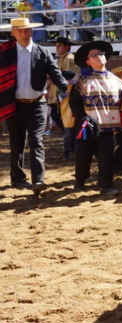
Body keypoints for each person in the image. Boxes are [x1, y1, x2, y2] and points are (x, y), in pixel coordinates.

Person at [0, 18, 68, 195]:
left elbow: (56, 75)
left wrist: (69, 89)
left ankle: (38, 179)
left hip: (37, 104)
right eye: (20, 30)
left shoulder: (42, 52)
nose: (24, 33)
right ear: (13, 33)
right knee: (16, 143)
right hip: (14, 105)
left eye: (27, 30)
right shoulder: (3, 53)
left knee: (36, 141)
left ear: (31, 31)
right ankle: (18, 178)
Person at [68, 40, 122, 196]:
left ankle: (106, 186)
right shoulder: (80, 80)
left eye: (101, 54)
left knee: (106, 155)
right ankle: (79, 182)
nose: (99, 56)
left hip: (108, 125)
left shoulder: (117, 81)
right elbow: (73, 102)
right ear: (88, 61)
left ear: (106, 58)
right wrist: (83, 119)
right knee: (83, 154)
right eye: (94, 55)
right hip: (87, 125)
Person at [48, 36, 80, 161]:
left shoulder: (71, 59)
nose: (57, 47)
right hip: (58, 94)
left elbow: (71, 76)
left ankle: (70, 143)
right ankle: (71, 141)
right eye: (56, 45)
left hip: (64, 95)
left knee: (63, 119)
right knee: (58, 117)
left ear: (67, 46)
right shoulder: (61, 59)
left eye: (59, 45)